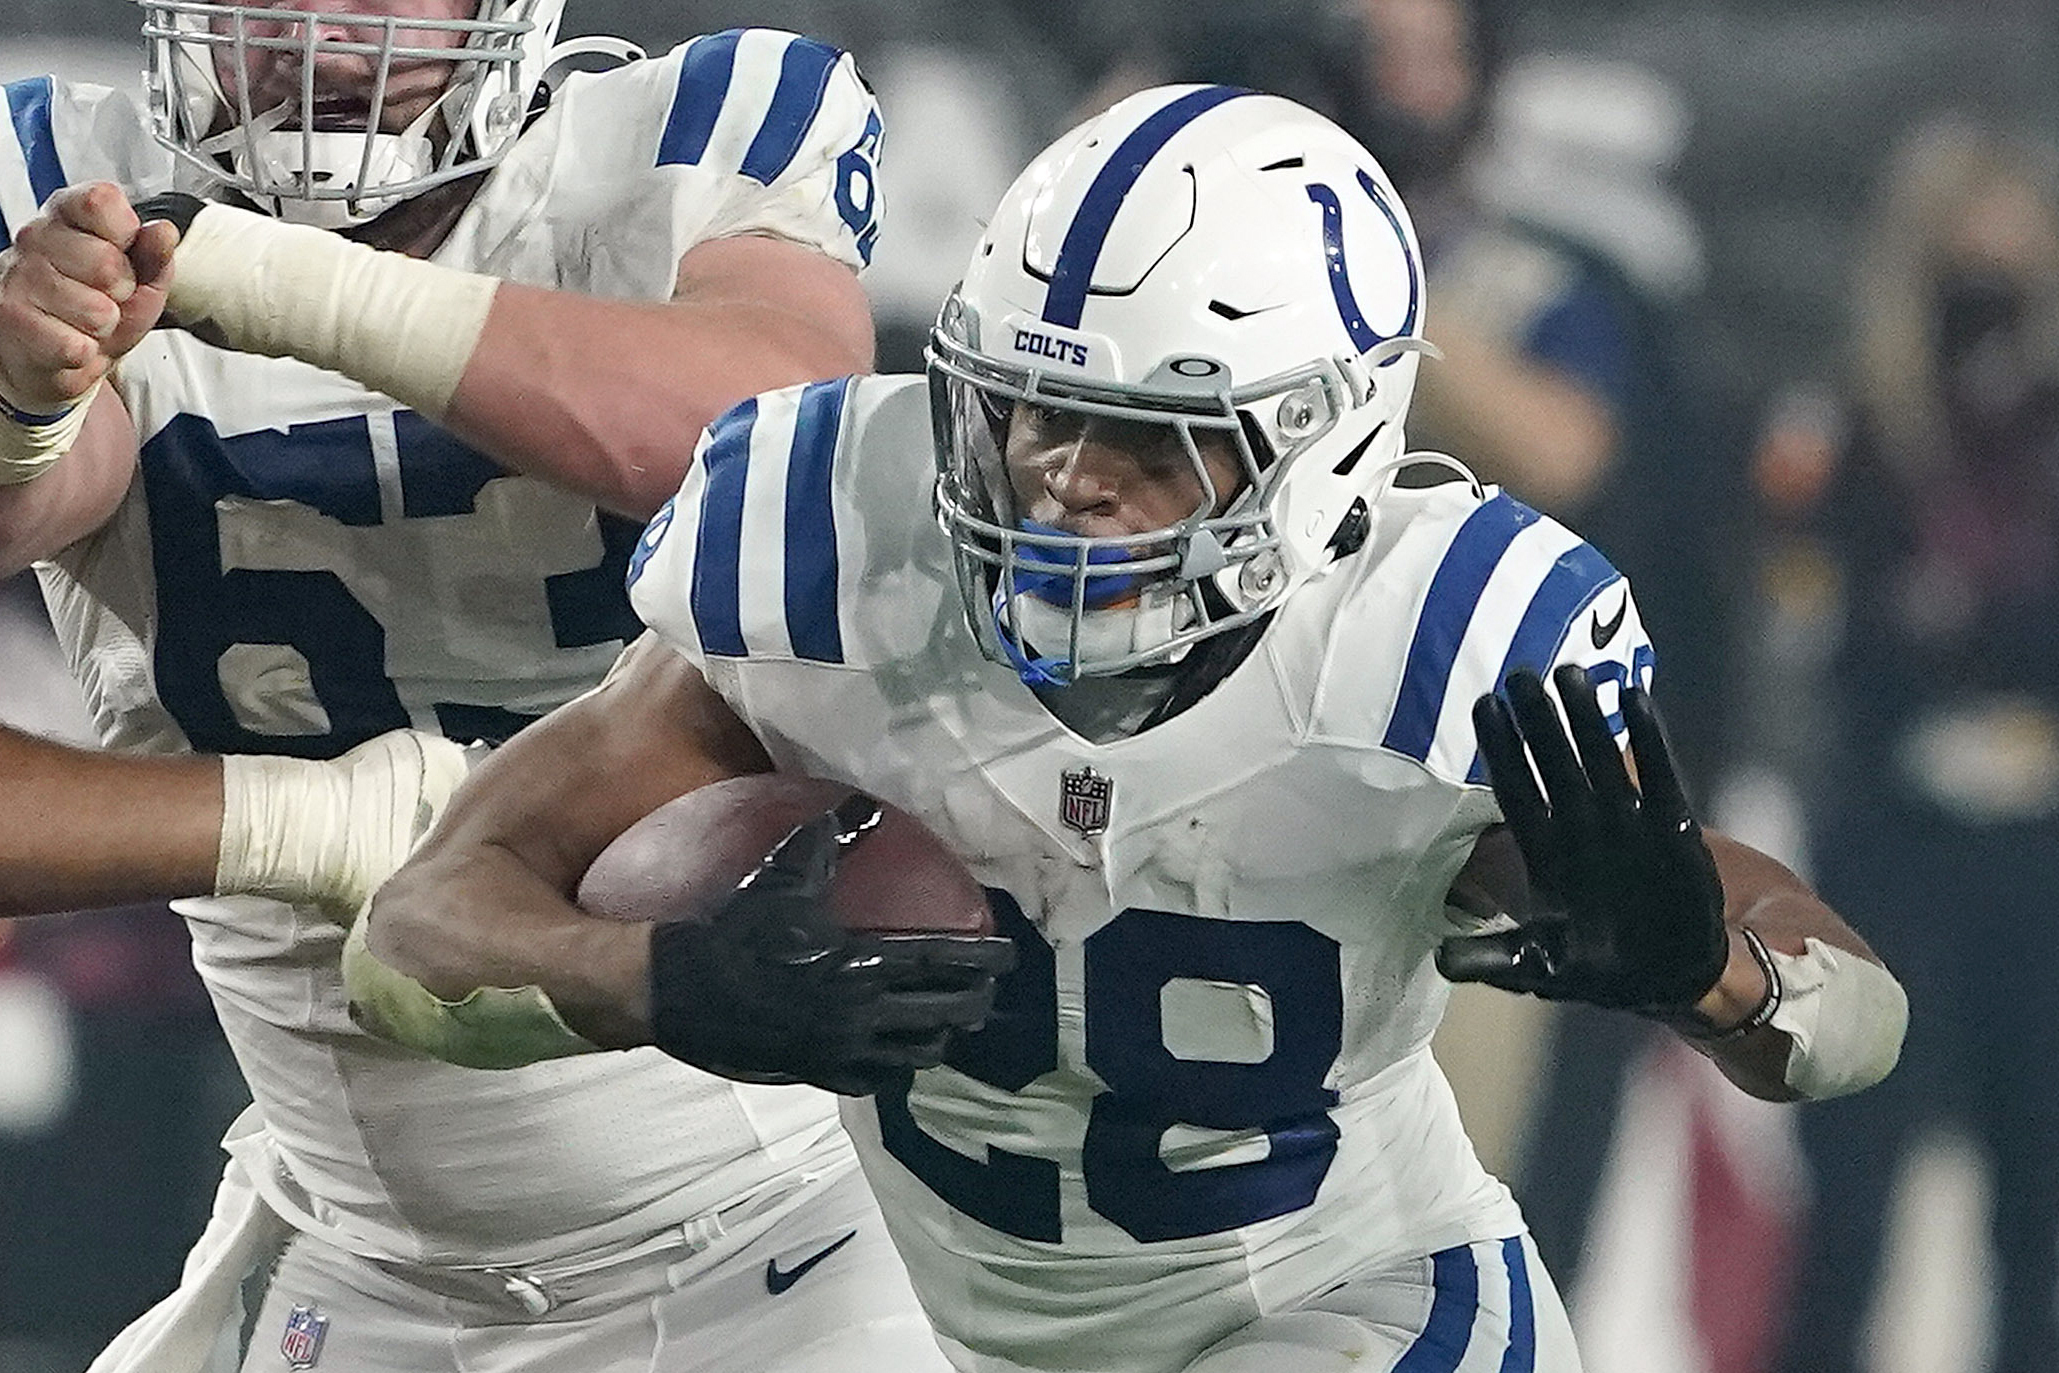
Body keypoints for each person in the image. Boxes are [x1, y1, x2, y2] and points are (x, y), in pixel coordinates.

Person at [327, 86, 1906, 1372]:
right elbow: (419, 933)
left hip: (1346, 1313)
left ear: (1326, 447)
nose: (1062, 477)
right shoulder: (832, 549)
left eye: (1150, 439)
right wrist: (658, 978)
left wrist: (1708, 970)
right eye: (1024, 407)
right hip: (932, 1326)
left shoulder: (1428, 646)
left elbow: (1851, 1025)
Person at [0, 4, 970, 1371]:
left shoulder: (683, 136)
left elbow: (769, 431)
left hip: (782, 1233)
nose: (315, 19)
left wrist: (277, 284)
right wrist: (23, 396)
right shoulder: (57, 175)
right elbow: (49, 486)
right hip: (349, 1246)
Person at [1766, 114, 2059, 1373]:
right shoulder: (1847, 420)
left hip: (2038, 848)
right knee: (1851, 1186)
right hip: (1888, 837)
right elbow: (1817, 621)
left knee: (2037, 1196)